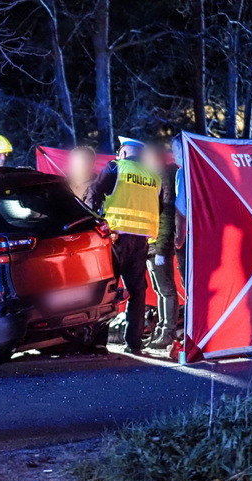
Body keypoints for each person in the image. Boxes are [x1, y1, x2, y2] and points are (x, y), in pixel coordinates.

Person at [86, 136, 161, 355]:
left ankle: (99, 342)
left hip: (114, 237)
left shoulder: (114, 167)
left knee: (106, 289)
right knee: (137, 292)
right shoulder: (154, 177)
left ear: (125, 152)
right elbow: (159, 210)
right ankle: (134, 343)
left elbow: (93, 195)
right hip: (141, 242)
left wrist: (94, 222)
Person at [142, 143, 178, 349]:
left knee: (166, 289)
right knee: (159, 289)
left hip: (158, 243)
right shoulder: (153, 179)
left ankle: (167, 332)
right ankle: (162, 329)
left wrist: (162, 247)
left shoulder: (164, 177)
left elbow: (167, 214)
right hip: (151, 243)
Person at [171, 135, 188, 289]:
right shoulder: (204, 170)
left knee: (189, 280)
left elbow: (181, 208)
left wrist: (179, 238)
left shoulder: (183, 172)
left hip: (190, 237)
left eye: (175, 151)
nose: (173, 156)